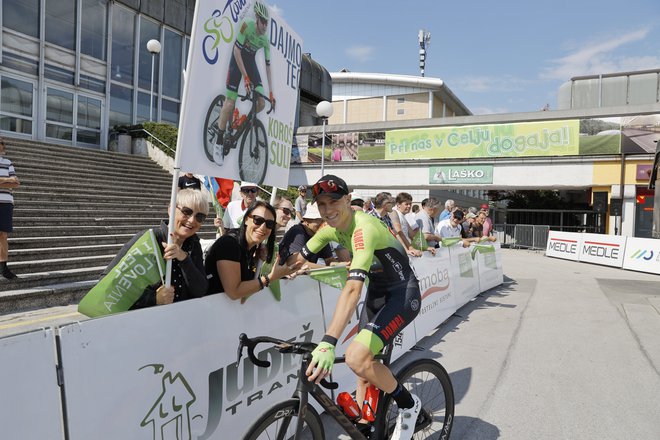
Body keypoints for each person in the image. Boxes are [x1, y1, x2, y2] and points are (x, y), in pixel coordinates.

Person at [297, 174, 423, 437]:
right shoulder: (331, 229)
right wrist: (268, 279)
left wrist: (329, 341)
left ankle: (409, 405)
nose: (328, 210)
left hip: (402, 295)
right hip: (378, 294)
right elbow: (296, 259)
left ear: (346, 199)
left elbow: (353, 289)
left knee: (356, 357)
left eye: (334, 201)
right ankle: (367, 426)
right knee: (363, 372)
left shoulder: (362, 227)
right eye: (321, 204)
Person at [103, 189, 209, 308]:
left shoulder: (193, 244)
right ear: (171, 209)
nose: (191, 220)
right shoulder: (149, 239)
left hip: (180, 320)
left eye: (199, 217)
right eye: (186, 211)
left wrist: (184, 258)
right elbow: (107, 284)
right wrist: (154, 299)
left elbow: (200, 290)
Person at [213, 1, 275, 165]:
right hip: (237, 60)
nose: (265, 26)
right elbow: (236, 51)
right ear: (257, 19)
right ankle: (219, 140)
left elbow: (268, 67)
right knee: (230, 103)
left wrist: (271, 92)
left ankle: (241, 127)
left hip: (250, 62)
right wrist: (245, 78)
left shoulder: (264, 41)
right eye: (263, 22)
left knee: (261, 103)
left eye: (267, 23)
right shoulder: (246, 26)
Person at [205, 201, 300, 299]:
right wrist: (270, 278)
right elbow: (234, 292)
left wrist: (258, 261)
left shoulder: (252, 247)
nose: (263, 227)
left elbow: (248, 279)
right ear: (246, 219)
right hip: (207, 308)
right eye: (257, 220)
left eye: (269, 224)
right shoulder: (229, 244)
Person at [279, 202, 335, 268]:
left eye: (325, 219)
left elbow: (329, 260)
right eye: (319, 220)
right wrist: (326, 269)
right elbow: (295, 263)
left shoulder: (320, 234)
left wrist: (345, 265)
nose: (324, 223)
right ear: (306, 221)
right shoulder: (298, 232)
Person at [0, 137, 19, 279]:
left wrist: (7, 181)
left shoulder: (7, 163)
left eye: (0, 143)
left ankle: (3, 268)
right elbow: (10, 182)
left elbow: (16, 183)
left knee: (3, 235)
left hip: (6, 203)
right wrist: (6, 180)